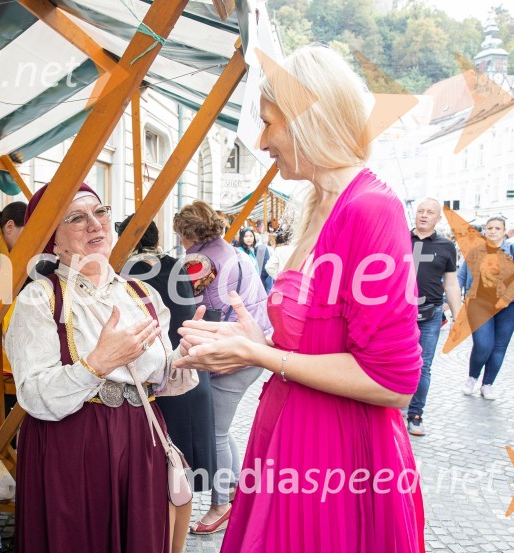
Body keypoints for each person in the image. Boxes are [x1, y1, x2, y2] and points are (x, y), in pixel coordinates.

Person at [175, 44, 425, 551]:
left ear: (310, 120)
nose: (263, 141)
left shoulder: (370, 209)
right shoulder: (321, 206)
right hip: (294, 431)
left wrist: (258, 353)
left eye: (269, 123)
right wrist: (253, 336)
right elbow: (314, 341)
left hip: (336, 450)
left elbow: (394, 381)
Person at [7, 183, 191, 553]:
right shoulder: (39, 299)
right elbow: (33, 395)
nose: (95, 224)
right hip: (73, 447)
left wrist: (190, 356)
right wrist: (97, 364)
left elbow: (161, 380)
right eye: (76, 217)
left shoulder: (143, 295)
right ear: (52, 241)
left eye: (100, 212)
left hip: (141, 441)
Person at [117, 214, 217, 553]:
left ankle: (160, 536)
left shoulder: (124, 272)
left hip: (156, 378)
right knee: (179, 468)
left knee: (162, 467)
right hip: (187, 368)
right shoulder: (176, 264)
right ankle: (174, 540)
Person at [172, 201, 272, 535]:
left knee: (214, 430)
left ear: (188, 233)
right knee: (222, 428)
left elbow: (197, 307)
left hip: (234, 351)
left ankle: (221, 505)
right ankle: (234, 490)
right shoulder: (235, 252)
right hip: (255, 343)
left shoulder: (199, 261)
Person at [404, 199, 461, 437]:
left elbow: (451, 282)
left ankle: (415, 415)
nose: (424, 215)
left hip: (430, 313)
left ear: (438, 218)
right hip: (399, 313)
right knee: (393, 361)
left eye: (430, 212)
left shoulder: (446, 246)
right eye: (421, 211)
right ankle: (390, 409)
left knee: (423, 366)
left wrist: (459, 317)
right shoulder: (399, 239)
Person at [458, 216, 514, 399]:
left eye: (497, 228)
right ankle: (472, 377)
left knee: (499, 346)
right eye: (490, 228)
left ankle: (488, 384)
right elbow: (460, 276)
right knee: (483, 344)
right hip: (479, 304)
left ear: (504, 231)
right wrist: (448, 300)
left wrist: (508, 297)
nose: (493, 231)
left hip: (508, 307)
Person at [237, 227, 273, 293]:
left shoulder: (251, 251)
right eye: (246, 236)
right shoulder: (239, 251)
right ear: (242, 238)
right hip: (246, 286)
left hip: (254, 284)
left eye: (251, 236)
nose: (249, 238)